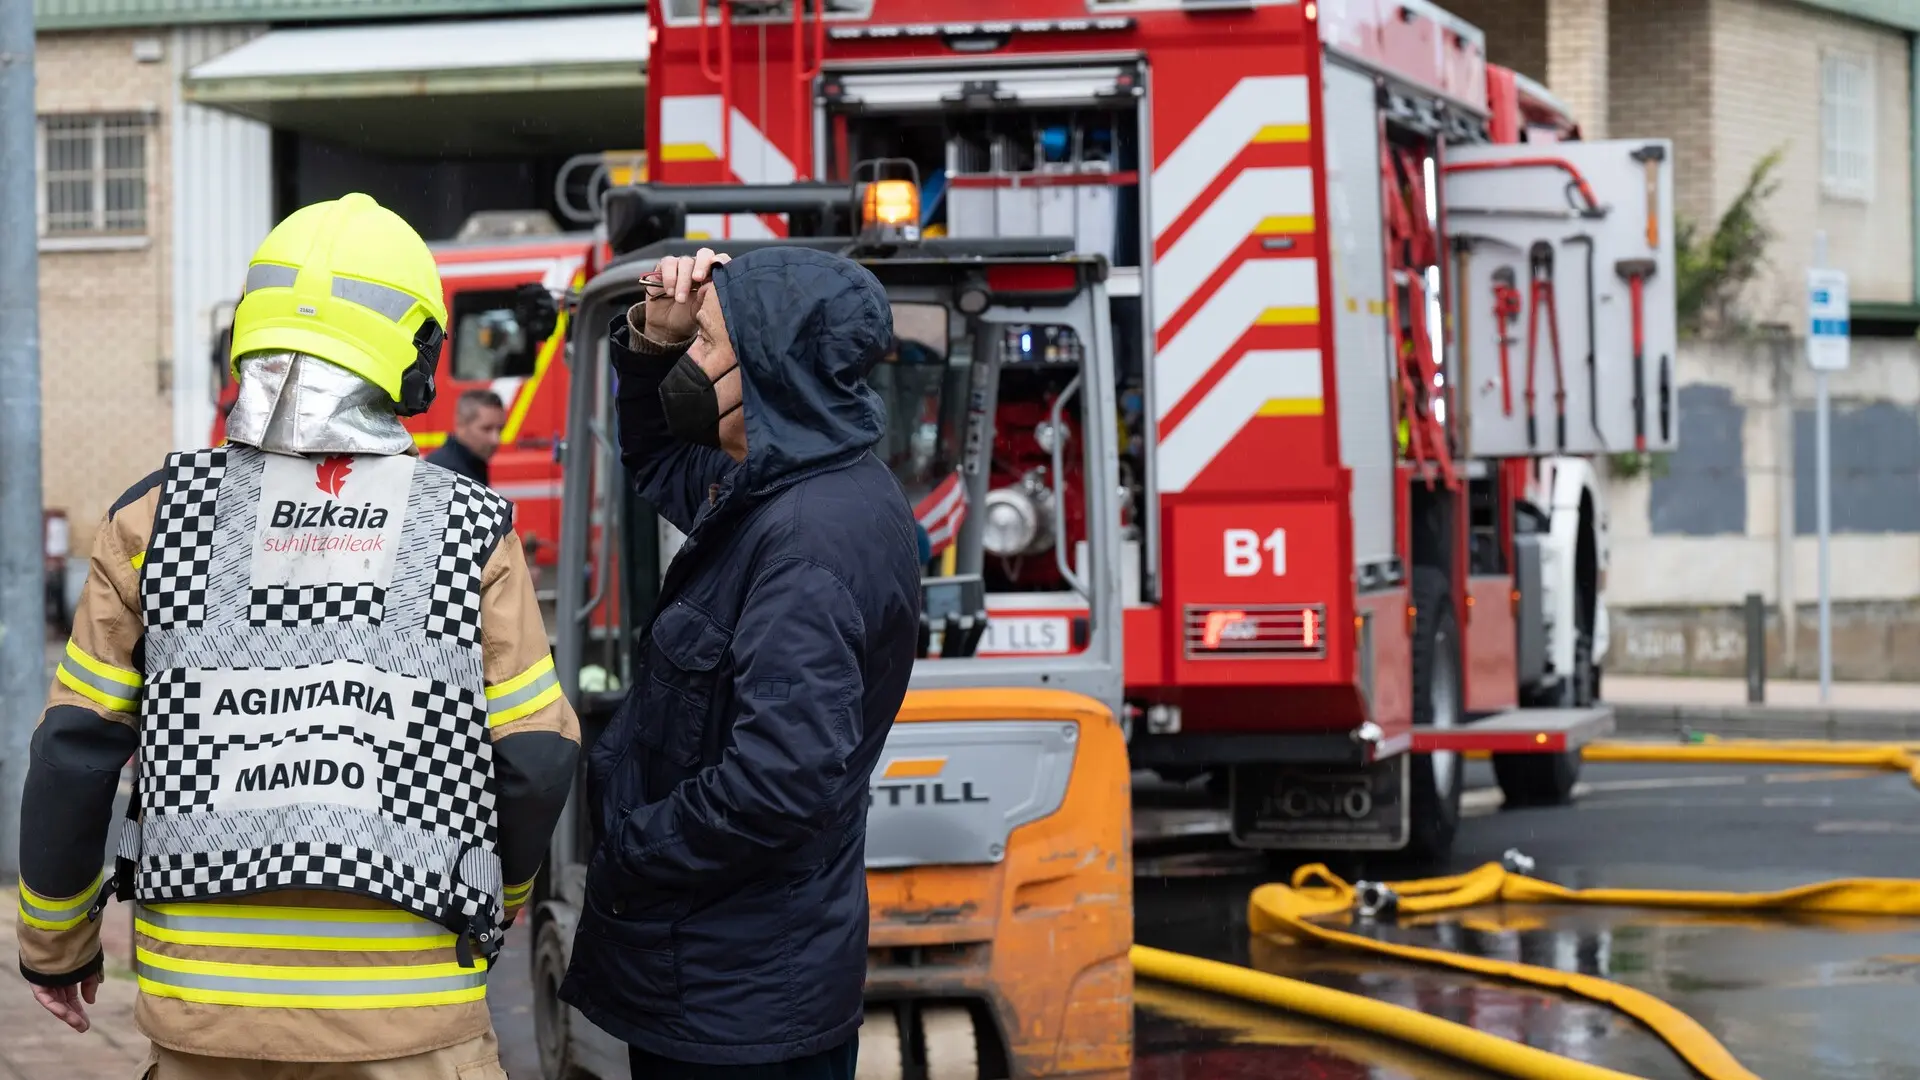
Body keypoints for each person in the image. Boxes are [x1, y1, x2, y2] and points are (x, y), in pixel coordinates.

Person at [14, 192, 581, 1079]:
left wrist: (56, 944)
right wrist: (496, 896)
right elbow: (537, 756)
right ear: (419, 355)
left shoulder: (154, 518)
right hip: (411, 1022)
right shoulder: (467, 526)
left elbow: (75, 752)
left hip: (206, 1018)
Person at [559, 246, 922, 1078]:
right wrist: (652, 341)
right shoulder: (797, 485)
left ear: (772, 369)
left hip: (736, 1003)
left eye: (712, 345)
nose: (696, 357)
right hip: (736, 981)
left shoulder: (805, 544)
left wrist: (632, 842)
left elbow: (777, 785)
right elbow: (658, 463)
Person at [426, 388, 506, 486]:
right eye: (487, 429)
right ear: (461, 424)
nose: (496, 440)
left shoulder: (471, 464)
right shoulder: (443, 472)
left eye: (500, 429)